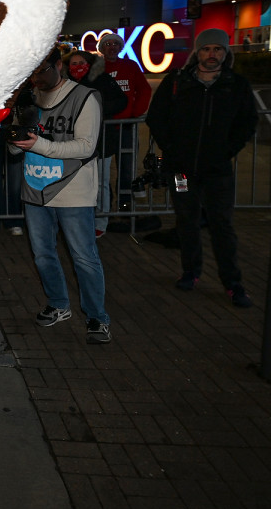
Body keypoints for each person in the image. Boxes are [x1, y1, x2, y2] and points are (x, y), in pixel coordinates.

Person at [146, 28, 258, 307]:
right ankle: (190, 272)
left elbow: (247, 122)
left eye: (218, 49)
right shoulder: (177, 81)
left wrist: (227, 150)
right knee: (187, 220)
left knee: (222, 225)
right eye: (206, 49)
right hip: (181, 171)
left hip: (217, 171)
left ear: (226, 53)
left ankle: (233, 283)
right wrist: (171, 149)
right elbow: (156, 117)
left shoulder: (236, 84)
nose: (212, 54)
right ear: (197, 52)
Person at [11, 47, 112, 343]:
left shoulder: (85, 97)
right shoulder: (30, 97)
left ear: (59, 65)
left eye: (41, 71)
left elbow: (85, 146)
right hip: (35, 188)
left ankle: (97, 317)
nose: (35, 79)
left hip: (73, 190)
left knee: (84, 257)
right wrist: (17, 141)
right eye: (31, 74)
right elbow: (14, 146)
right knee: (43, 255)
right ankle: (58, 304)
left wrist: (37, 144)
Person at [64, 49, 127, 236]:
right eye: (73, 64)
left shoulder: (103, 79)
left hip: (101, 142)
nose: (77, 67)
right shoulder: (65, 83)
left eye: (81, 63)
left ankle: (100, 222)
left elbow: (121, 101)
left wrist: (96, 110)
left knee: (101, 183)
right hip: (73, 143)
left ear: (90, 64)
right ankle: (78, 221)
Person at [96, 32, 151, 217]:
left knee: (127, 170)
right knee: (102, 173)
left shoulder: (130, 66)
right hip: (103, 129)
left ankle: (124, 206)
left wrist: (135, 113)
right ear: (102, 48)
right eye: (107, 44)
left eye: (115, 44)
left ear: (120, 48)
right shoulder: (96, 68)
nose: (112, 47)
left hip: (127, 128)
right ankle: (105, 206)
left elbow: (144, 89)